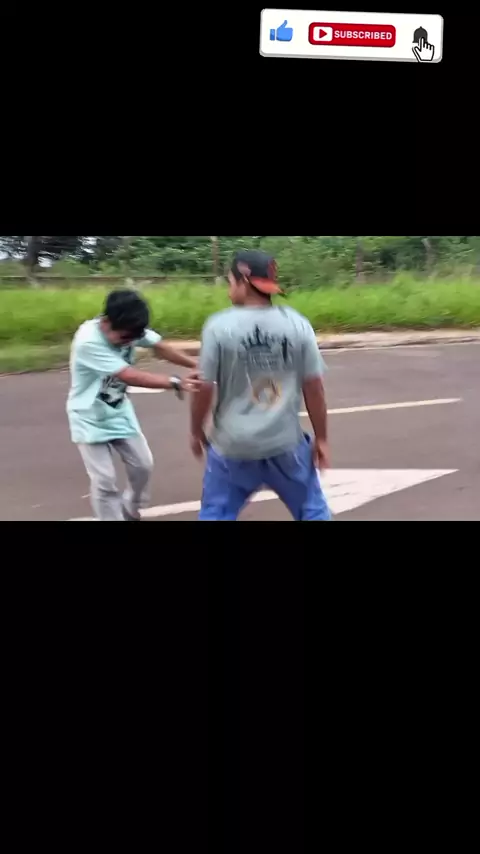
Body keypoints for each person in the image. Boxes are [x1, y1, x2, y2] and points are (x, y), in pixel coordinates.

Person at [190, 249, 331, 521]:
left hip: (233, 446)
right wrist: (322, 438)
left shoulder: (217, 327)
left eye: (230, 281)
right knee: (312, 510)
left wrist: (196, 431)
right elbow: (314, 387)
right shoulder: (298, 324)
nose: (229, 290)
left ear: (244, 281)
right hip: (285, 445)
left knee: (216, 514)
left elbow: (204, 387)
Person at [67, 289, 201, 521]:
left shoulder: (128, 327)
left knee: (143, 465)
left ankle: (130, 508)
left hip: (118, 410)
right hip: (88, 416)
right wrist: (175, 382)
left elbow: (159, 347)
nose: (129, 343)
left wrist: (195, 364)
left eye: (133, 338)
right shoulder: (88, 341)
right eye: (125, 338)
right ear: (106, 322)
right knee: (104, 480)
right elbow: (129, 376)